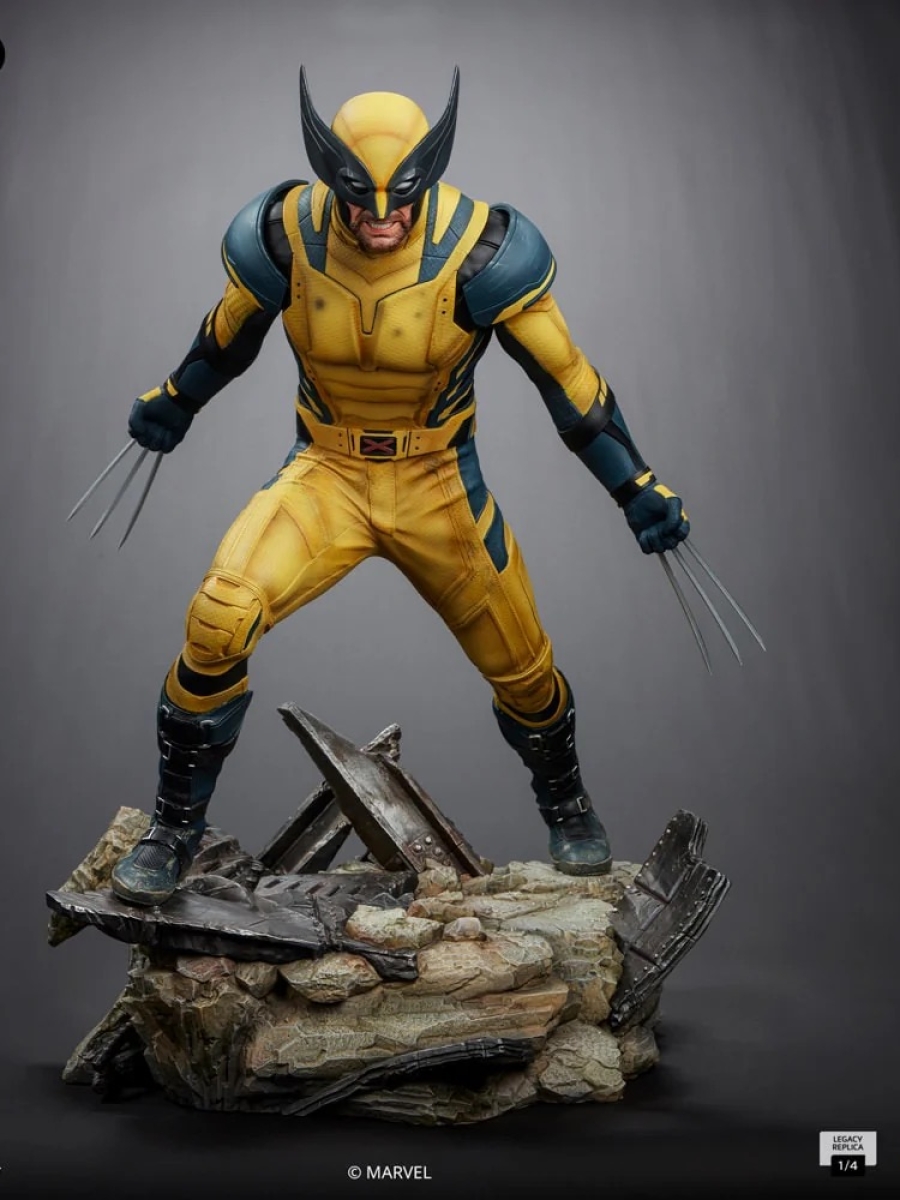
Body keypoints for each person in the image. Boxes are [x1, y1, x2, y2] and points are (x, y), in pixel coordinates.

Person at [109, 67, 689, 907]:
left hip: (437, 483)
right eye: (361, 202)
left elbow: (568, 380)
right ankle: (173, 829)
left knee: (524, 668)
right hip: (326, 474)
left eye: (399, 201)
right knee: (219, 617)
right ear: (329, 177)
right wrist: (175, 399)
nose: (381, 219)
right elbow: (225, 337)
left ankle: (566, 802)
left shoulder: (484, 251)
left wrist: (634, 484)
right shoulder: (283, 236)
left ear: (430, 174)